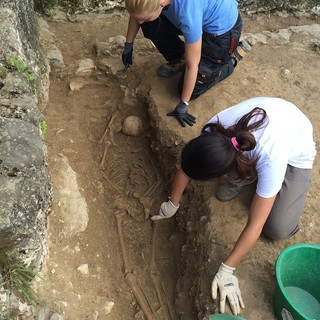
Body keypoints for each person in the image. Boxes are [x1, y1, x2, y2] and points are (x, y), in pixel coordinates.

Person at [151, 97, 316, 315]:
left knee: (276, 228)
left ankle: (260, 180)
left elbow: (255, 225)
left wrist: (227, 270)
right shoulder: (212, 131)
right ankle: (248, 175)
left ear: (224, 172)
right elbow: (188, 167)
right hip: (264, 128)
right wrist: (173, 203)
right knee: (227, 193)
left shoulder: (271, 157)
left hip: (294, 146)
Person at [122, 0, 247, 128]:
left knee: (188, 90)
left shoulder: (187, 13)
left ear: (160, 3)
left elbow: (192, 66)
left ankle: (231, 60)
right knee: (150, 24)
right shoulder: (150, 2)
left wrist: (184, 104)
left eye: (144, 17)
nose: (140, 22)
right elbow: (137, 13)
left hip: (222, 32)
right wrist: (128, 44)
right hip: (199, 17)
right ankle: (179, 57)